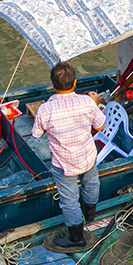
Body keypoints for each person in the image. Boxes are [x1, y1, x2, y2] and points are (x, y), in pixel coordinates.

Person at [32, 61, 105, 252]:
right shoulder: (87, 102)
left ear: (52, 85)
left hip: (63, 163)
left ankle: (76, 238)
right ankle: (90, 214)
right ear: (74, 83)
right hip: (87, 156)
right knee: (91, 185)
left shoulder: (45, 109)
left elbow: (36, 134)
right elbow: (101, 126)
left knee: (69, 200)